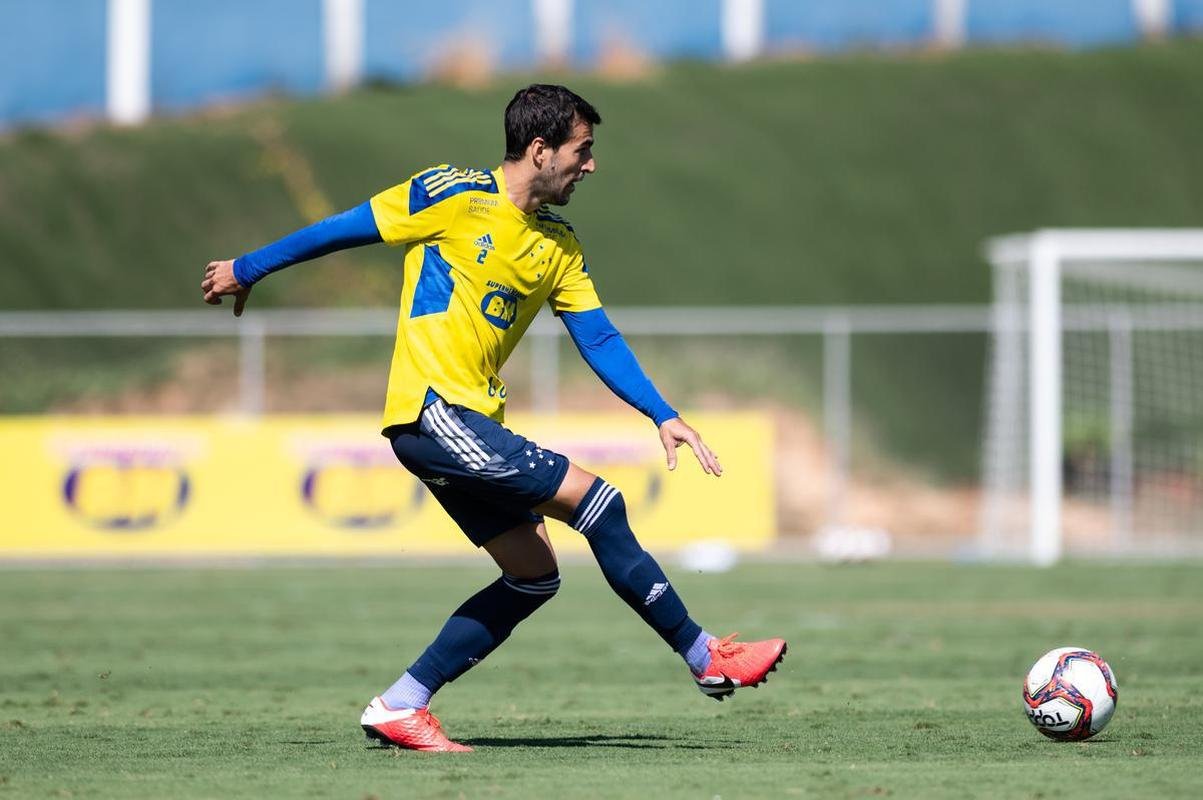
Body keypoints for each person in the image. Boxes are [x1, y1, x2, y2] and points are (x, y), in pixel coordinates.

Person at [201, 84, 786, 753]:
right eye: (582, 150)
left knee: (533, 575)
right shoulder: (449, 194)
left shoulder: (557, 243)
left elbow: (597, 337)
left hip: (460, 423)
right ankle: (704, 656)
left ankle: (400, 704)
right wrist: (247, 268)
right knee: (600, 504)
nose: (590, 164)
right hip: (434, 410)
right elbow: (342, 229)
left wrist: (662, 413)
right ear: (540, 150)